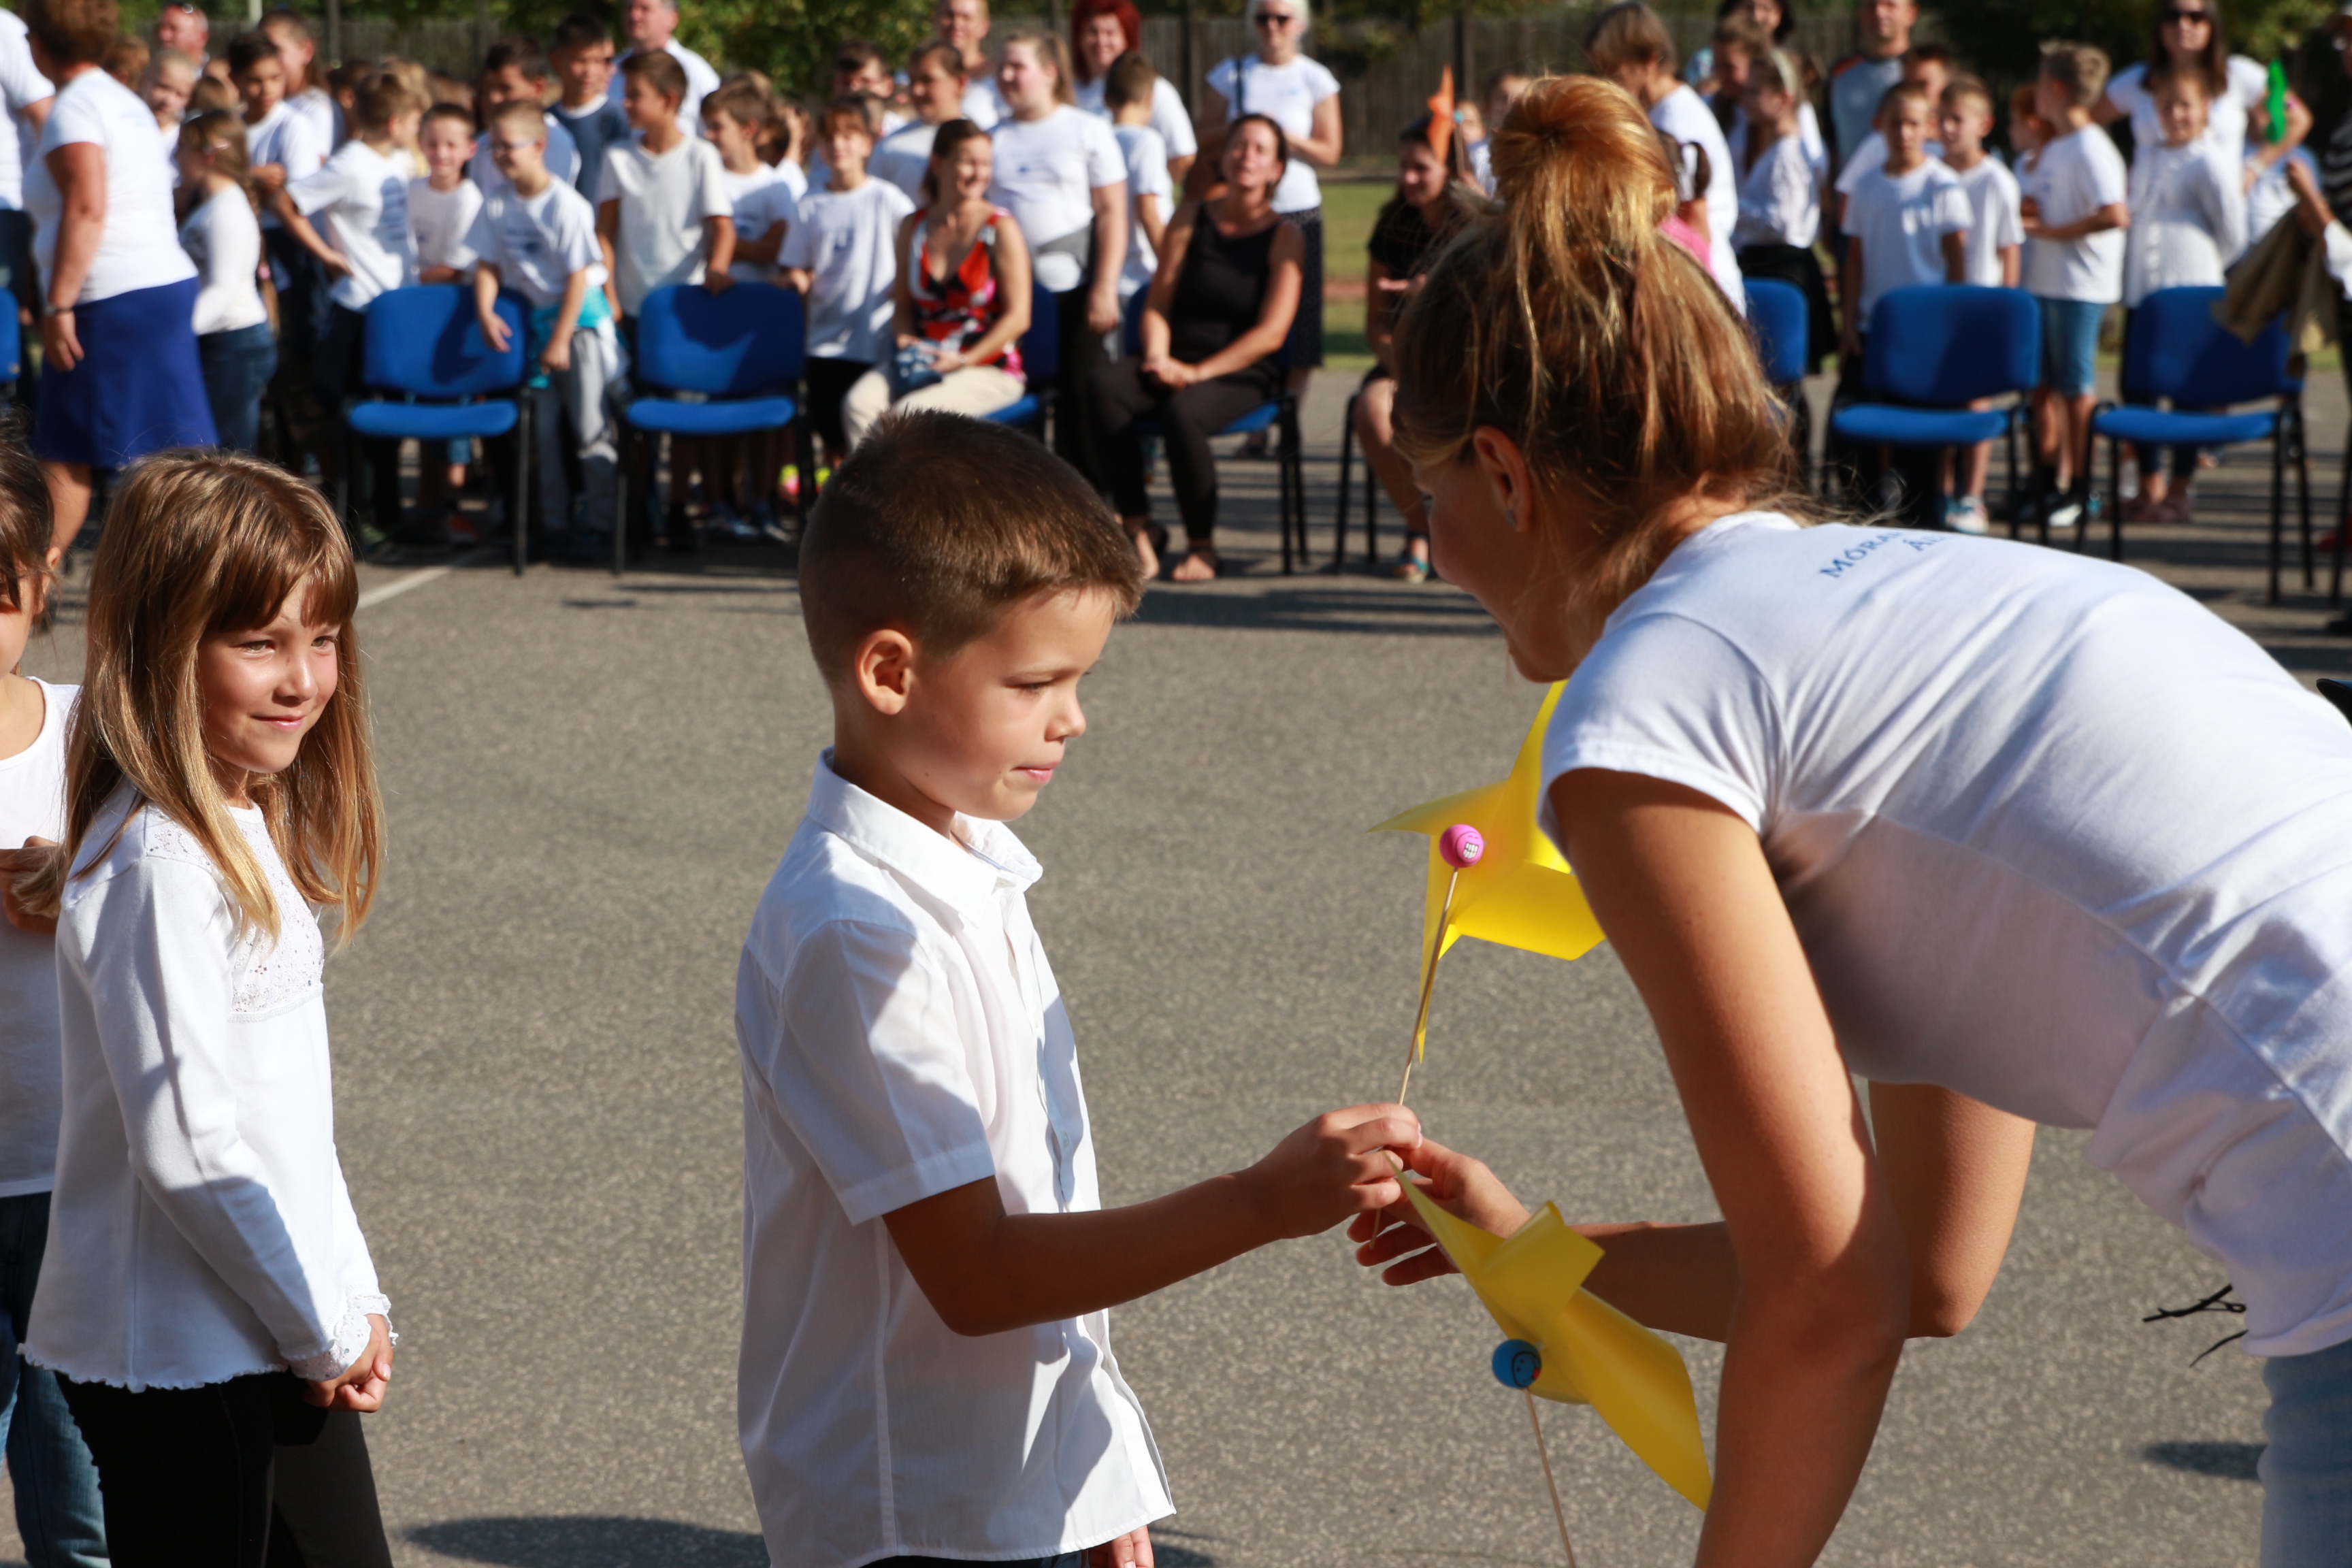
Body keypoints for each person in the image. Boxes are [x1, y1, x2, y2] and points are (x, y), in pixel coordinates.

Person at [1379, 65, 2352, 1568]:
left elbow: (1830, 1297)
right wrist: (1541, 1256)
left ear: (1502, 474)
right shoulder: (1918, 611)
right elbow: (1925, 1268)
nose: (1431, 544)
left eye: (1424, 494)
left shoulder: (1643, 709)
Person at [738, 406, 1416, 1568]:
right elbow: (978, 1272)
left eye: (1079, 678)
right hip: (913, 1515)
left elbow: (1040, 1193)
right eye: (1036, 681)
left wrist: (1091, 1471)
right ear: (891, 670)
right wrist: (1260, 1201)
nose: (1074, 717)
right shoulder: (857, 937)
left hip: (1006, 1487)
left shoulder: (964, 857)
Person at [14, 451, 395, 1568]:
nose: (303, 679)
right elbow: (188, 1143)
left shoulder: (237, 822)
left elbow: (290, 1125)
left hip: (268, 1323)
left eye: (322, 638)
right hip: (188, 1353)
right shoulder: (161, 865)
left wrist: (354, 1293)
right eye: (259, 643)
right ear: (164, 646)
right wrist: (322, 1325)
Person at [0, 447, 108, 1568]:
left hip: (68, 1174)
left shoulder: (91, 737)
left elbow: (189, 901)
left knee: (82, 1501)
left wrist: (77, 880)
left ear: (40, 579)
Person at [23, 0, 213, 551]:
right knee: (170, 454)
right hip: (158, 286)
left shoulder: (77, 107)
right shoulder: (120, 100)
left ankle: (27, 584)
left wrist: (59, 304)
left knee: (66, 454)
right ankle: (202, 574)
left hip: (109, 297)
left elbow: (87, 206)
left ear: (40, 43)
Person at [1088, 114, 1301, 582]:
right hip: (1175, 357)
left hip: (1243, 371)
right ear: (1223, 157)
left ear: (1277, 169)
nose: (1246, 156)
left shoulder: (1285, 236)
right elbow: (1158, 303)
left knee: (1183, 412)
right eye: (1239, 146)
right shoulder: (1189, 218)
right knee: (1105, 383)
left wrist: (1198, 374)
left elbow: (1272, 333)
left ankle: (1202, 546)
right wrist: (1158, 356)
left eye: (1260, 150)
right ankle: (1139, 526)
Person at [274, 73, 421, 544]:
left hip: (398, 305)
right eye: (414, 121)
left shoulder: (398, 159)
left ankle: (390, 512)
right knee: (351, 412)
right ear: (395, 121)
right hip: (359, 307)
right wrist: (326, 253)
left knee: (392, 413)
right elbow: (287, 201)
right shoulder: (349, 163)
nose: (415, 130)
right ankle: (354, 517)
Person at [596, 48, 733, 552]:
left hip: (683, 314)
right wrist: (610, 293)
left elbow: (721, 226)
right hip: (632, 309)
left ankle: (678, 506)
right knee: (636, 417)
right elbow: (605, 232)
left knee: (685, 415)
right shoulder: (617, 158)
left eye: (636, 95)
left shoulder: (700, 156)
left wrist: (717, 268)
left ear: (669, 100)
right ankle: (639, 508)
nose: (626, 103)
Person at [472, 98, 619, 562]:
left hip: (577, 328)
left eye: (508, 146)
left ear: (539, 146)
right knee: (545, 433)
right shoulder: (497, 204)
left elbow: (578, 276)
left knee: (590, 427)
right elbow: (487, 264)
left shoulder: (565, 205)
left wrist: (560, 338)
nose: (499, 155)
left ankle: (602, 524)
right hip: (536, 329)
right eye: (494, 147)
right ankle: (554, 523)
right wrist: (485, 311)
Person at [840, 119, 1030, 447]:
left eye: (986, 164)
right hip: (925, 360)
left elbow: (1018, 318)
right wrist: (906, 342)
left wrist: (963, 360)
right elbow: (902, 305)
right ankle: (879, 484)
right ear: (938, 163)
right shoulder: (912, 226)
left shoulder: (1000, 228)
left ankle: (908, 484)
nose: (979, 173)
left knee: (909, 417)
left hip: (987, 365)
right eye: (968, 162)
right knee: (859, 406)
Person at [987, 31, 1126, 472]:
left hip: (1076, 293)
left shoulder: (1087, 129)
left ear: (1050, 72)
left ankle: (1086, 502)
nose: (1007, 76)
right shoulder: (991, 139)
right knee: (1018, 409)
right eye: (1002, 67)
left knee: (1080, 404)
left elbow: (1112, 213)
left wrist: (1104, 287)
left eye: (1018, 66)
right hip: (1011, 297)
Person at [2119, 67, 2247, 526]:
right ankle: (2149, 484)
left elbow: (2233, 232)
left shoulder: (2208, 161)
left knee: (2188, 393)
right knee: (2137, 388)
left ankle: (2180, 488)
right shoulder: (2148, 155)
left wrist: (2202, 267)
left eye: (2185, 106)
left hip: (2189, 287)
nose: (2175, 115)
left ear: (2205, 109)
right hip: (2142, 289)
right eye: (2166, 106)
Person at [1838, 79, 1968, 527]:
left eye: (1913, 123)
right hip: (1873, 326)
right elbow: (1855, 258)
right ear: (1880, 126)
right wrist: (1849, 322)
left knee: (1920, 443)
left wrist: (1950, 323)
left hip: (1924, 332)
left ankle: (1925, 522)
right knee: (1859, 430)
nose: (1904, 133)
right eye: (1895, 123)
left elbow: (1956, 257)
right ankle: (1866, 517)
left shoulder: (1942, 185)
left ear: (1929, 127)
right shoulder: (1866, 186)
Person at [1356, 112, 1472, 583]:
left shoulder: (1476, 227)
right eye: (1402, 166)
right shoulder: (1392, 224)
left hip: (1463, 364)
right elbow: (1374, 324)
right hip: (1402, 361)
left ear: (1451, 170)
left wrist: (1435, 294)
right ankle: (1423, 530)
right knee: (1372, 408)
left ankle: (1470, 532)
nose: (1407, 178)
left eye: (1421, 168)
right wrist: (1400, 364)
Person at [1202, 0, 1337, 402]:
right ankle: (1250, 402)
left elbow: (1330, 151)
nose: (1272, 27)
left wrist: (1280, 136)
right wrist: (1243, 130)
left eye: (1282, 19)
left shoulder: (1314, 78)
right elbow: (1203, 136)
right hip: (1246, 211)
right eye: (1263, 18)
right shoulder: (1231, 74)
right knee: (1247, 306)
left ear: (1300, 25)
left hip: (1298, 208)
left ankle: (1291, 404)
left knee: (1303, 313)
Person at [2021, 42, 2128, 532]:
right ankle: (2046, 482)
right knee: (2042, 387)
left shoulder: (2091, 146)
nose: (2037, 93)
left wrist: (2053, 232)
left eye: (2041, 83)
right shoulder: (2058, 144)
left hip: (2080, 286)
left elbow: (2115, 213)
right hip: (2047, 280)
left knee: (2075, 387)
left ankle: (2083, 488)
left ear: (2056, 88)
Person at [1586, 2, 1743, 311]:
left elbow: (1694, 225)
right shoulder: (1657, 114)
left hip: (1701, 288)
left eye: (1615, 73)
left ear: (1649, 60)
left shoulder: (1677, 125)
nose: (1607, 85)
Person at [783, 97, 912, 459]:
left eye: (848, 136)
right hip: (823, 338)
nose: (838, 145)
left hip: (873, 336)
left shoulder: (887, 199)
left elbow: (914, 247)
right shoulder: (809, 205)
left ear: (867, 144)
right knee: (831, 431)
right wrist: (796, 279)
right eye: (829, 138)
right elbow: (794, 264)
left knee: (871, 430)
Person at [704, 78, 794, 538]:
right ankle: (719, 502)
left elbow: (777, 250)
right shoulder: (707, 179)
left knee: (765, 417)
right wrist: (743, 246)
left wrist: (725, 242)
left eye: (717, 127)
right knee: (718, 415)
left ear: (749, 129)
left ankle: (762, 502)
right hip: (716, 313)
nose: (708, 136)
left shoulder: (775, 187)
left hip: (760, 321)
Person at [232, 29, 325, 473]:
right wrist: (253, 177)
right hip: (240, 249)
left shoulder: (294, 125)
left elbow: (293, 197)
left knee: (292, 365)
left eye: (274, 78)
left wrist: (243, 180)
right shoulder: (231, 125)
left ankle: (302, 465)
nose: (266, 89)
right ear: (236, 80)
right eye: (254, 80)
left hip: (287, 252)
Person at [2097, 0, 2306, 188]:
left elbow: (2297, 117)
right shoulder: (2138, 80)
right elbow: (2087, 120)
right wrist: (2115, 175)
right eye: (2172, 16)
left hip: (2217, 208)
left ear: (2212, 25)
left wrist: (2255, 167)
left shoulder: (2238, 74)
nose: (2183, 25)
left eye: (2196, 17)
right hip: (2151, 210)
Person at [1938, 75, 2022, 536]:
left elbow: (2010, 248)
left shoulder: (1997, 180)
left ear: (1983, 125)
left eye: (1958, 119)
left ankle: (1972, 494)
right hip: (1940, 304)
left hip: (1981, 304)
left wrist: (2005, 310)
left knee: (1976, 403)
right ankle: (1941, 491)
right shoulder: (1933, 172)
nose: (1948, 128)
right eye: (1943, 119)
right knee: (1941, 400)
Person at [176, 111, 274, 456]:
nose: (176, 157)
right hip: (224, 342)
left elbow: (223, 289)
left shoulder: (226, 211)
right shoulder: (213, 205)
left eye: (182, 148)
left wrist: (176, 334)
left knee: (225, 462)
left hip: (234, 344)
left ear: (207, 155)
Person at [406, 101, 480, 543]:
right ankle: (429, 500)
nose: (441, 153)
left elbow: (452, 269)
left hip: (453, 315)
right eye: (433, 144)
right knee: (424, 409)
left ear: (470, 149)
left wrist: (406, 280)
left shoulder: (469, 199)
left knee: (453, 410)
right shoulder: (412, 190)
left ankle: (451, 504)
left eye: (451, 145)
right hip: (418, 315)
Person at [1731, 49, 1830, 380]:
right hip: (1771, 265)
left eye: (1755, 92)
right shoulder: (1775, 150)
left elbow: (1783, 221)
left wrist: (1732, 208)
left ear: (1783, 98)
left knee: (1781, 378)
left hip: (1783, 270)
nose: (1745, 100)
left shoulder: (1788, 153)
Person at [1071, 0, 1196, 189]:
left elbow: (1183, 154)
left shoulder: (1154, 88)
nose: (1101, 41)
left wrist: (1149, 188)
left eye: (1110, 33)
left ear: (1127, 37)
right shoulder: (1070, 91)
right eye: (1092, 32)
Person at [0, 10, 56, 343]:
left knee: (5, 338)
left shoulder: (5, 30)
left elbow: (45, 117)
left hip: (5, 208)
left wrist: (44, 206)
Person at [468, 38, 579, 194]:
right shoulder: (482, 143)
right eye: (488, 89)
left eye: (505, 88)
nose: (494, 98)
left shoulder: (557, 141)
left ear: (537, 87)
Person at [1103, 52, 1170, 303]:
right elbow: (1148, 211)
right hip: (1141, 278)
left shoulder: (1098, 139)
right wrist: (1173, 269)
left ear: (1106, 99)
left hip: (1106, 277)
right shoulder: (1146, 141)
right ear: (1150, 98)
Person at [1824, 0, 1912, 182]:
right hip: (1851, 194)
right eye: (1871, 6)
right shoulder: (1840, 73)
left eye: (1890, 5)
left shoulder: (1922, 72)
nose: (1879, 13)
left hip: (1911, 192)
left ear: (1911, 13)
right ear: (1860, 13)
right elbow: (1828, 140)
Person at [871, 41, 968, 201]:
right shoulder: (890, 148)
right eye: (912, 81)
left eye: (927, 80)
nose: (917, 91)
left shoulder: (983, 142)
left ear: (960, 82)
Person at [604, 0, 717, 134]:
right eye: (629, 8)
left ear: (672, 18)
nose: (634, 16)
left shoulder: (695, 72)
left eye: (645, 9)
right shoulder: (610, 70)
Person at [548, 13, 627, 195]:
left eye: (597, 61)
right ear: (556, 61)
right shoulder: (545, 120)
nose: (589, 71)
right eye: (580, 60)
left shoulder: (617, 118)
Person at [259, 10, 333, 155]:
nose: (265, 60)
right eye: (259, 51)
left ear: (307, 51)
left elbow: (314, 165)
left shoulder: (316, 109)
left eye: (275, 51)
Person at [934, 0, 1004, 127]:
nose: (956, 24)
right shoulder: (914, 79)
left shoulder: (1002, 80)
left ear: (984, 27)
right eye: (949, 15)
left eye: (966, 17)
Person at [139, 46, 193, 159]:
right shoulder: (120, 128)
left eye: (180, 95)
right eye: (163, 87)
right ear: (144, 81)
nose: (168, 101)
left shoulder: (186, 145)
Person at [154, 0, 208, 78]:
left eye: (174, 29)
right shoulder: (148, 76)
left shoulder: (215, 78)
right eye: (161, 28)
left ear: (200, 37)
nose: (163, 36)